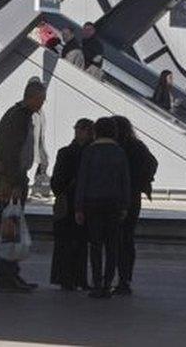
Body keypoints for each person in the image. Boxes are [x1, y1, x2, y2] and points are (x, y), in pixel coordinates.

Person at [0, 81, 47, 292]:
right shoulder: (19, 117)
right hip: (12, 180)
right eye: (41, 99)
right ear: (32, 97)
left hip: (14, 178)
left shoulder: (16, 114)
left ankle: (12, 274)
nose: (42, 104)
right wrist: (15, 182)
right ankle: (7, 276)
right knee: (10, 229)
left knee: (11, 227)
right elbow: (12, 153)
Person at [75, 117, 130, 299]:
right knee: (112, 245)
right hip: (113, 203)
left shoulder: (90, 152)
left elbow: (82, 180)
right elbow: (124, 181)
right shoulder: (119, 152)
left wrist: (79, 207)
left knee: (96, 245)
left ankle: (97, 283)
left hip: (92, 203)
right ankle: (108, 284)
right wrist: (124, 205)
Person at [111, 116, 158, 296]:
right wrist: (141, 182)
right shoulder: (137, 146)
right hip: (132, 197)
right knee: (127, 238)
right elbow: (152, 164)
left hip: (114, 197)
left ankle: (108, 277)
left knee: (112, 238)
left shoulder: (113, 148)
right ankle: (125, 279)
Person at [50, 118, 93, 291]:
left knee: (65, 242)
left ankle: (65, 277)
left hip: (67, 202)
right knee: (81, 243)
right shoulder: (92, 154)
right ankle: (79, 278)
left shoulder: (65, 153)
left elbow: (56, 182)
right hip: (84, 203)